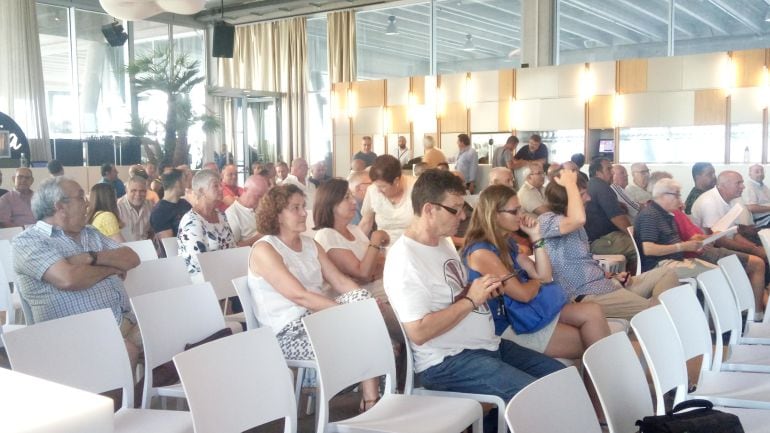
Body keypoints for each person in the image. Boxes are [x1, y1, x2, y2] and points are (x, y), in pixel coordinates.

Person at [383, 169, 564, 430]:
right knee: (533, 397)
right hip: (446, 362)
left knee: (558, 378)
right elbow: (419, 332)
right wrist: (471, 299)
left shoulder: (442, 242)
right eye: (455, 209)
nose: (464, 215)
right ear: (429, 210)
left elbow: (452, 294)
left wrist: (477, 288)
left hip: (484, 347)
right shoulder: (405, 260)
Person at [248, 184, 381, 411]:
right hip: (287, 332)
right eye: (295, 208)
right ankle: (373, 400)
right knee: (364, 327)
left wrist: (364, 304)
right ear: (277, 214)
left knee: (361, 302)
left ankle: (372, 399)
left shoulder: (310, 244)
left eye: (303, 207)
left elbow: (340, 281)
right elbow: (300, 296)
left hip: (319, 318)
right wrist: (350, 314)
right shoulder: (265, 249)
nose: (303, 214)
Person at [463, 184, 610, 359]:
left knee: (593, 311)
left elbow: (545, 276)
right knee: (594, 344)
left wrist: (536, 237)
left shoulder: (506, 243)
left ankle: (605, 378)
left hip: (526, 312)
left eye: (520, 210)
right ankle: (602, 381)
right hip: (508, 324)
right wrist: (537, 282)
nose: (521, 216)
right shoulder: (482, 252)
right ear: (494, 215)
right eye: (514, 211)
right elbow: (523, 294)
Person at [13, 176, 142, 367]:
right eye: (81, 197)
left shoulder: (90, 233)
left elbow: (131, 257)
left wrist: (91, 258)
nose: (88, 202)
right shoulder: (29, 241)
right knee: (128, 352)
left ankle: (140, 393)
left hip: (123, 323)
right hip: (75, 336)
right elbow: (69, 278)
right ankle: (126, 396)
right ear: (60, 207)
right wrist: (111, 268)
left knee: (182, 332)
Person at [539, 168, 679, 320]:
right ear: (567, 199)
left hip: (606, 285)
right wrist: (569, 183)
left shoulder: (576, 226)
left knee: (667, 273)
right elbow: (578, 218)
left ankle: (653, 311)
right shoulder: (547, 221)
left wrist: (613, 275)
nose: (589, 198)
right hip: (587, 294)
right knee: (658, 312)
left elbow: (585, 260)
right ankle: (653, 314)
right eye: (582, 195)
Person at [313, 179, 390, 300]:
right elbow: (363, 273)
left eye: (352, 196)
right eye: (346, 198)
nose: (354, 202)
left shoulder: (354, 229)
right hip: (360, 299)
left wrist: (370, 272)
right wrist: (376, 239)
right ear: (331, 203)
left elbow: (382, 263)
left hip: (381, 289)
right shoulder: (326, 235)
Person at [634, 178, 717, 279]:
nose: (680, 200)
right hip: (659, 265)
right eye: (676, 195)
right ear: (663, 196)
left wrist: (696, 243)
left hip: (675, 260)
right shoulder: (650, 215)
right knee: (714, 274)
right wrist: (682, 247)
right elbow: (648, 249)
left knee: (719, 271)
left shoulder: (666, 214)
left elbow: (673, 242)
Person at [691, 171, 764, 259]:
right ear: (723, 186)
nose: (743, 186)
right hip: (707, 249)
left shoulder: (732, 199)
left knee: (763, 250)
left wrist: (754, 247)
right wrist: (753, 250)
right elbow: (718, 240)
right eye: (738, 183)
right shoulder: (709, 202)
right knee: (759, 259)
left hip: (724, 242)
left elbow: (733, 234)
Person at [178, 170, 236, 279]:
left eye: (220, 185)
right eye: (215, 186)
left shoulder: (221, 215)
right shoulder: (191, 221)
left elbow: (232, 248)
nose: (221, 189)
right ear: (201, 191)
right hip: (202, 281)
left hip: (226, 274)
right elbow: (198, 263)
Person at [584, 157, 636, 270]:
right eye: (608, 169)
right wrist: (636, 236)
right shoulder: (602, 187)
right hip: (602, 241)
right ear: (598, 172)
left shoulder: (591, 185)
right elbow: (618, 219)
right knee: (643, 246)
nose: (612, 172)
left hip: (596, 240)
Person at [359, 155, 414, 243]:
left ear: (396, 181)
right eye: (376, 185)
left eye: (382, 186)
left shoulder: (416, 189)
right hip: (383, 248)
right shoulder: (372, 190)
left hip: (412, 246)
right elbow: (366, 223)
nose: (378, 190)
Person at [225, 174, 269, 247]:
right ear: (245, 190)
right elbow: (233, 247)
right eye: (258, 196)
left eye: (264, 196)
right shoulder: (232, 213)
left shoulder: (262, 207)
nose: (262, 200)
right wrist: (260, 236)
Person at [150, 169, 192, 244]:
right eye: (184, 181)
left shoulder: (185, 204)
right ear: (177, 183)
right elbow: (169, 245)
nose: (187, 185)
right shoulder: (159, 212)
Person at [117, 176, 153, 242]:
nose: (138, 194)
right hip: (125, 247)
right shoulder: (117, 207)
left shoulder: (150, 205)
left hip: (145, 245)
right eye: (133, 190)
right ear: (126, 190)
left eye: (142, 191)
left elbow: (151, 231)